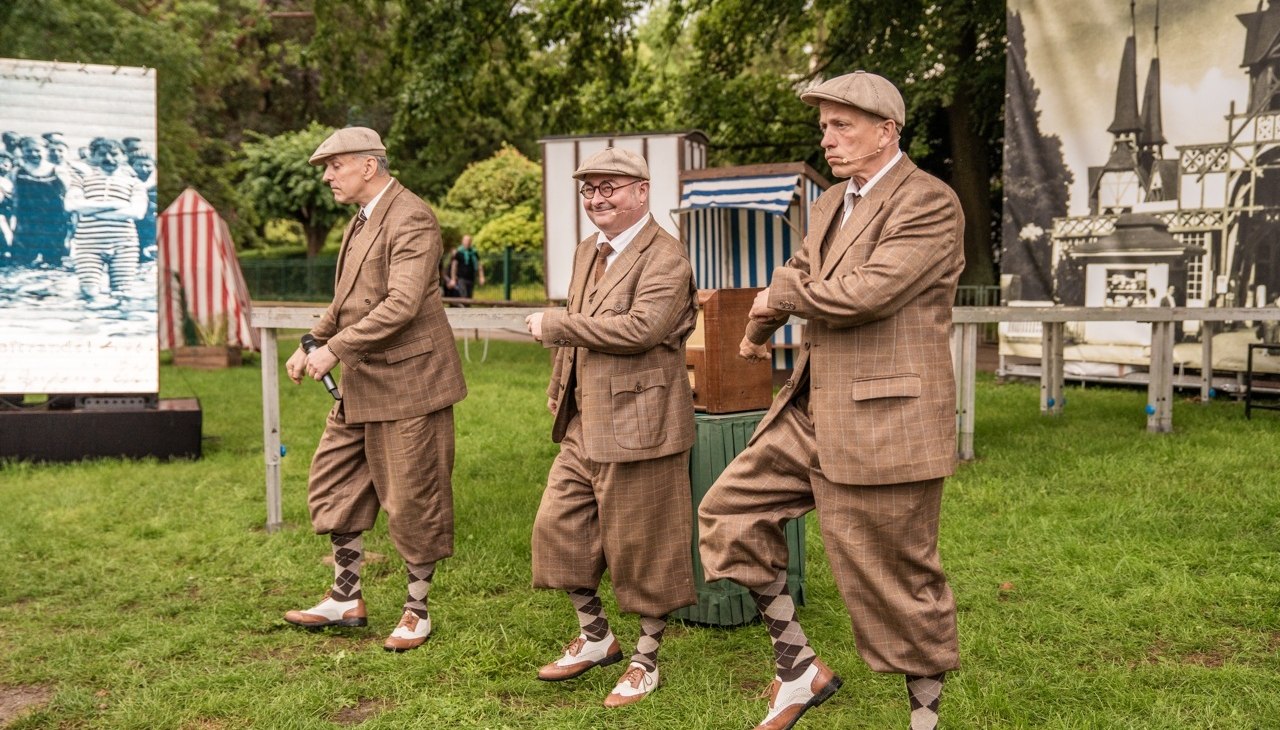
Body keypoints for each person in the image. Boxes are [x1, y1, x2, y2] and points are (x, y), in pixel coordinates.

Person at [697, 71, 965, 730]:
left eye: (843, 125)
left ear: (886, 131)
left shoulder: (928, 202)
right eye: (824, 126)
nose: (830, 138)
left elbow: (864, 294)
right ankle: (798, 670)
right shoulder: (830, 202)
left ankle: (923, 721)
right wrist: (762, 322)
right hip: (813, 408)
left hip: (886, 418)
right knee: (729, 515)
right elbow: (797, 270)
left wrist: (777, 300)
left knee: (896, 579)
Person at [524, 147, 699, 708]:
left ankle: (645, 661)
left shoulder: (666, 256)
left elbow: (643, 328)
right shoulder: (586, 251)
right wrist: (560, 385)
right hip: (584, 419)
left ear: (642, 191)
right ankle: (597, 637)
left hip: (642, 425)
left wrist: (556, 325)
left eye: (610, 188)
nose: (597, 199)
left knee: (643, 547)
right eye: (589, 190)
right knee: (558, 529)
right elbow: (582, 334)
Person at [283, 127, 467, 653]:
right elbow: (346, 301)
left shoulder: (412, 216)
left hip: (411, 384)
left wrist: (334, 350)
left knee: (414, 499)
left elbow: (401, 305)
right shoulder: (359, 222)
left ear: (368, 166)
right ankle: (346, 598)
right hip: (362, 384)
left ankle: (417, 610)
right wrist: (314, 340)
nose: (326, 176)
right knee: (333, 482)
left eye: (334, 166)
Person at [63, 137, 147, 305]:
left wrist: (92, 212)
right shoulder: (82, 179)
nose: (108, 159)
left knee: (121, 293)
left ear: (123, 156)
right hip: (89, 243)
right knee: (89, 291)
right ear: (93, 156)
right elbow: (71, 204)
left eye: (114, 154)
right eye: (102, 154)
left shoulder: (134, 183)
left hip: (124, 243)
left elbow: (137, 212)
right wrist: (115, 204)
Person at [448, 234, 484, 298]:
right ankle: (464, 306)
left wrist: (481, 277)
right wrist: (453, 279)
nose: (467, 242)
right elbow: (454, 266)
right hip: (461, 278)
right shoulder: (459, 252)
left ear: (471, 242)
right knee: (464, 295)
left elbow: (479, 265)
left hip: (471, 278)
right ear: (462, 242)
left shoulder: (474, 252)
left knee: (469, 296)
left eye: (468, 241)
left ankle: (465, 307)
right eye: (465, 241)